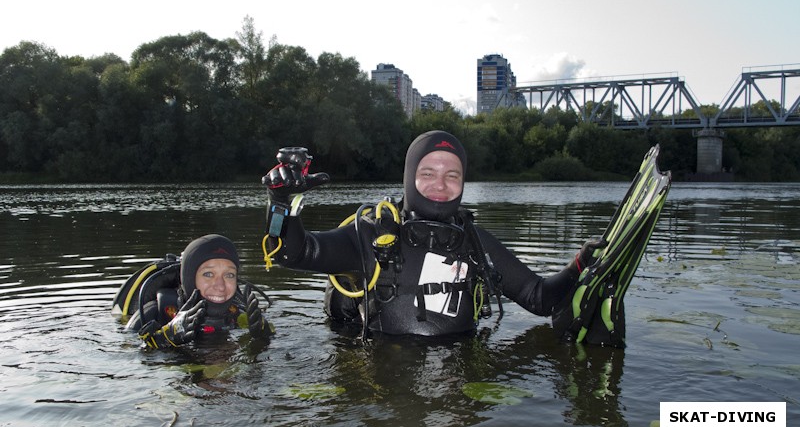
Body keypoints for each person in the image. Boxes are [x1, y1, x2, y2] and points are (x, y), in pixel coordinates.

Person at [262, 131, 615, 345]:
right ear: (409, 176)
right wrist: (284, 205)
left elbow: (539, 298)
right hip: (384, 386)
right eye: (428, 173)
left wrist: (579, 263)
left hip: (459, 383)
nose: (441, 185)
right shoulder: (369, 235)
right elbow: (295, 253)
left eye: (453, 175)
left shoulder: (476, 243)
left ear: (463, 181)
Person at [124, 234, 274, 349]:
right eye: (208, 274)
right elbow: (125, 360)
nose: (220, 286)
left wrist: (262, 340)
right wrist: (163, 339)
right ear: (188, 279)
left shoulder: (240, 315)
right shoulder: (155, 313)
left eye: (229, 275)